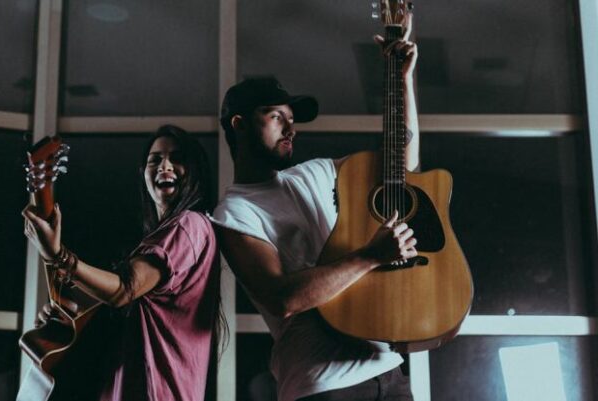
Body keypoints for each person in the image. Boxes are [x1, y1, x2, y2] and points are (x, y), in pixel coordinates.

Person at [211, 16, 420, 401]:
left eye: (292, 120)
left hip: (388, 370)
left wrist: (402, 80)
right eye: (277, 117)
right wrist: (372, 256)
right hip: (322, 385)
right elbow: (282, 299)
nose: (291, 129)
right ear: (239, 124)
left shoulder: (319, 172)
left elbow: (400, 166)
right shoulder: (233, 212)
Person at [22, 125, 225, 401]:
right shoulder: (160, 240)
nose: (164, 165)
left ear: (195, 171)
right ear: (143, 173)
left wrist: (58, 256)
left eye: (177, 158)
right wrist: (66, 321)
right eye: (155, 159)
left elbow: (124, 289)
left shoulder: (189, 225)